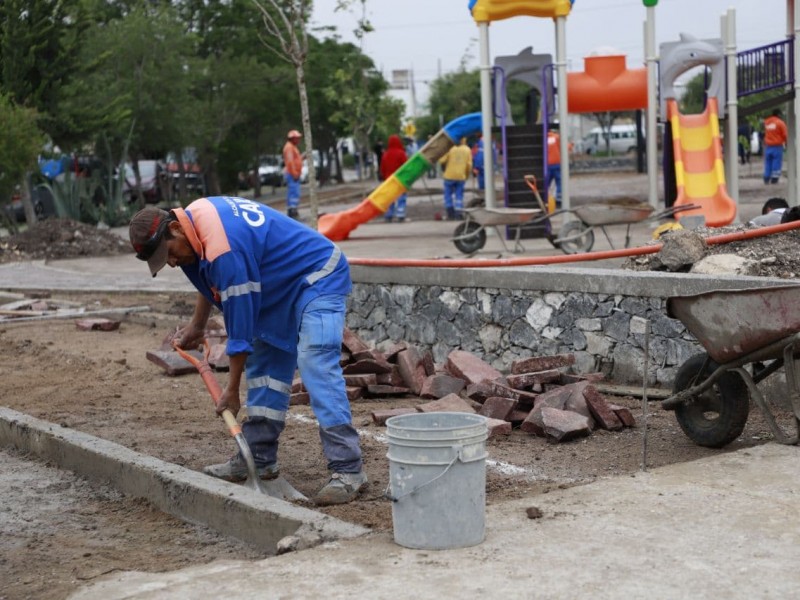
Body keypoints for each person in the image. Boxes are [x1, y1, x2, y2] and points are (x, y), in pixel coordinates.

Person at [128, 201, 367, 506]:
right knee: (266, 370)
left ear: (175, 228)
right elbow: (209, 283)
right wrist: (197, 326)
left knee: (315, 361)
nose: (171, 263)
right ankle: (258, 458)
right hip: (275, 286)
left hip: (318, 275)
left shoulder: (223, 249)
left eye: (169, 253)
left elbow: (239, 335)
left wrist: (231, 391)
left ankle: (348, 470)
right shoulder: (192, 226)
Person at [438, 137, 472, 220]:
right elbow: (469, 165)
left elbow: (442, 160)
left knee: (448, 195)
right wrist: (466, 175)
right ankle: (458, 213)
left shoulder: (450, 148)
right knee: (459, 195)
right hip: (461, 176)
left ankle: (450, 214)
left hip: (449, 176)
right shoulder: (467, 150)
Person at [380, 134, 409, 222]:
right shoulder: (401, 153)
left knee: (390, 198)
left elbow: (382, 167)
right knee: (401, 197)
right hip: (400, 179)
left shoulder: (385, 154)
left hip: (389, 180)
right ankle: (400, 215)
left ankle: (389, 215)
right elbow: (406, 166)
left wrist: (384, 177)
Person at [282, 130, 304, 219]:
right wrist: (294, 173)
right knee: (294, 193)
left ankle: (293, 210)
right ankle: (292, 212)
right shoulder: (289, 148)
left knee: (294, 192)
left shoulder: (292, 147)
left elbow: (295, 160)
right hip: (292, 174)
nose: (298, 140)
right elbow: (290, 162)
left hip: (294, 174)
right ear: (292, 139)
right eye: (297, 138)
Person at [763, 109, 788, 184]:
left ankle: (766, 177)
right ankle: (775, 178)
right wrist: (786, 143)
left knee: (768, 162)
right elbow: (785, 135)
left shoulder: (766, 122)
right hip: (777, 146)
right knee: (776, 162)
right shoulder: (780, 123)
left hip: (768, 146)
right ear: (779, 114)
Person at [546, 127, 562, 208]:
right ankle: (559, 200)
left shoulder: (543, 139)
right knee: (559, 182)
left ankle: (546, 199)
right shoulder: (556, 137)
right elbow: (562, 148)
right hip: (557, 164)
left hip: (547, 165)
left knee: (546, 183)